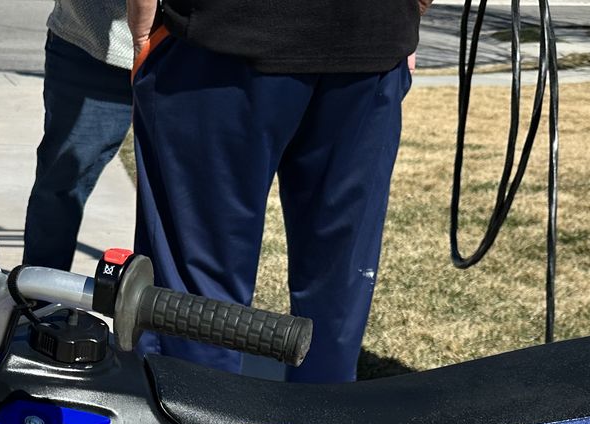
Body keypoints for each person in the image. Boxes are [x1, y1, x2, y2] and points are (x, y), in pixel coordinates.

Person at [126, 0, 427, 383]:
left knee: (196, 286)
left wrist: (142, 30)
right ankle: (321, 418)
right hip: (373, 37)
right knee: (338, 278)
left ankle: (195, 414)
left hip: (223, 36)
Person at [22, 1, 135, 271]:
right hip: (91, 45)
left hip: (188, 52)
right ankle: (40, 292)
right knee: (62, 180)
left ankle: (171, 294)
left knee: (180, 194)